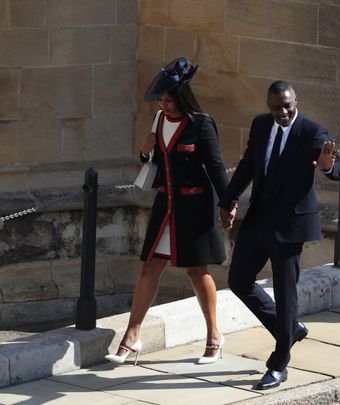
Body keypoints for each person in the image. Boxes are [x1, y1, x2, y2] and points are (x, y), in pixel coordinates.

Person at [218, 80, 340, 390]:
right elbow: (249, 166)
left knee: (285, 292)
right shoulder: (261, 125)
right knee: (238, 280)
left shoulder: (312, 132)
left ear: (295, 101)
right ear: (269, 106)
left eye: (287, 106)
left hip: (290, 226)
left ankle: (279, 363)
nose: (282, 112)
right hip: (259, 219)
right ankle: (287, 327)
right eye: (276, 107)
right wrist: (229, 200)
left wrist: (328, 167)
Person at [105, 58, 229, 365]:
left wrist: (229, 203)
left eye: (169, 100)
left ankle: (215, 336)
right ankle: (132, 337)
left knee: (196, 271)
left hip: (196, 208)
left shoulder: (202, 124)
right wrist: (145, 150)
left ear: (182, 98)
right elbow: (152, 164)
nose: (165, 105)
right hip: (166, 206)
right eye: (161, 101)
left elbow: (215, 167)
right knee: (149, 267)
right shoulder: (158, 122)